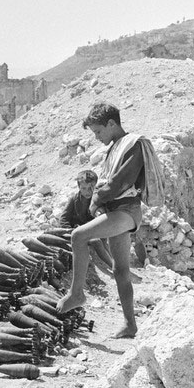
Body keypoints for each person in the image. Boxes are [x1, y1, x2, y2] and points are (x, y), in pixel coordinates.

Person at [57, 102, 149, 338]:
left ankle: (76, 294)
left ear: (111, 124)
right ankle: (130, 325)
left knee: (78, 236)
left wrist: (96, 199)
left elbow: (119, 182)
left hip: (126, 211)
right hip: (117, 211)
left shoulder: (133, 145)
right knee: (120, 270)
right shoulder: (115, 147)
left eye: (98, 132)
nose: (97, 137)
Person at [59, 170, 115, 271]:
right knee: (96, 241)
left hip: (92, 229)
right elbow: (63, 219)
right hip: (78, 231)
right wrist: (71, 231)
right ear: (79, 187)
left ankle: (115, 262)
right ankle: (113, 267)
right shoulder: (74, 199)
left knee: (104, 238)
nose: (87, 191)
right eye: (83, 188)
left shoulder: (97, 199)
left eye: (90, 188)